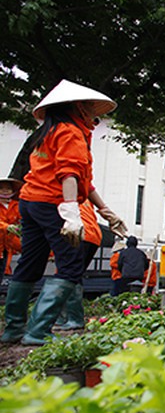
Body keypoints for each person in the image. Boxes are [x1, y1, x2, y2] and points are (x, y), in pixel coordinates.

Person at [0, 80, 127, 345]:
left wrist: (105, 210)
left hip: (30, 202)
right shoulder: (70, 132)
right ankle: (37, 332)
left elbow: (84, 181)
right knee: (70, 265)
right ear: (78, 107)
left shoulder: (47, 133)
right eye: (92, 108)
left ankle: (13, 330)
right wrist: (70, 211)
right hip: (53, 203)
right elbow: (69, 174)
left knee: (30, 264)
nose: (96, 114)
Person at [53, 200, 103, 330]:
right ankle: (65, 317)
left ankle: (72, 318)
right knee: (72, 275)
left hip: (76, 233)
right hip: (92, 235)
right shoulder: (83, 197)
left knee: (68, 275)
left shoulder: (58, 194)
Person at [0, 178, 23, 284]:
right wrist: (7, 227)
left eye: (8, 188)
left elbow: (23, 219)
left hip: (10, 243)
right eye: (1, 188)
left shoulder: (17, 205)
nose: (5, 191)